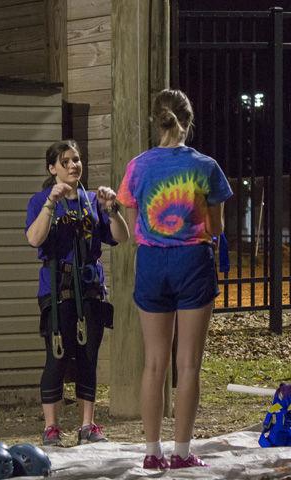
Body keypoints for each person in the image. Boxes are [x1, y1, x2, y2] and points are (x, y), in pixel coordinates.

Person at [116, 89, 233, 470]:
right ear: (189, 119)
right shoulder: (205, 166)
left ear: (156, 120)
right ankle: (182, 452)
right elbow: (216, 228)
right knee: (188, 365)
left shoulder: (137, 167)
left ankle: (152, 451)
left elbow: (135, 229)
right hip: (192, 262)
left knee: (153, 363)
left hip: (151, 263)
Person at [25, 140, 129, 446]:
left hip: (90, 288)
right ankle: (51, 427)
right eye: (66, 161)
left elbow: (120, 236)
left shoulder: (91, 199)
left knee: (88, 356)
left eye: (77, 160)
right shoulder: (41, 199)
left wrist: (113, 210)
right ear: (52, 168)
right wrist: (50, 204)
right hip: (57, 291)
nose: (73, 166)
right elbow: (34, 238)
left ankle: (88, 426)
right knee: (57, 356)